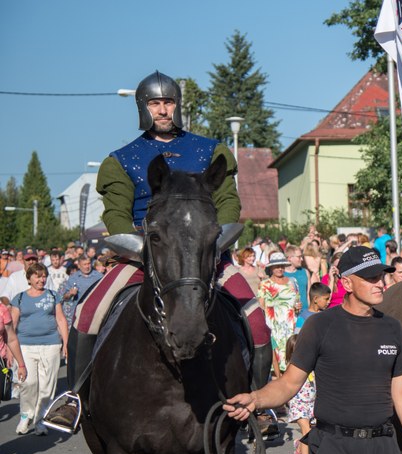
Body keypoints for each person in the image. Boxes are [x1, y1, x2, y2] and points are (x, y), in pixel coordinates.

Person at [44, 70, 262, 433]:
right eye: (155, 103)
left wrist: (212, 243)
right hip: (146, 257)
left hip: (204, 258)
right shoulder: (122, 160)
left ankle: (258, 401)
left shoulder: (211, 151)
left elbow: (226, 202)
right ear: (143, 107)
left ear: (178, 104)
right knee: (87, 312)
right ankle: (75, 399)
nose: (163, 109)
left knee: (255, 318)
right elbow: (115, 213)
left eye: (169, 102)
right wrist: (143, 247)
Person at [224, 246, 402, 454]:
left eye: (381, 276)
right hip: (335, 448)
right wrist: (256, 399)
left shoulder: (392, 327)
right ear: (347, 283)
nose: (380, 283)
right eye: (370, 278)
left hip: (382, 449)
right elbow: (289, 383)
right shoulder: (320, 325)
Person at [10, 263, 68, 435]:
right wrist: (8, 350)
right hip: (25, 346)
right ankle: (25, 416)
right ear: (29, 278)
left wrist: (66, 344)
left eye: (44, 276)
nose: (41, 279)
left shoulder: (53, 295)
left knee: (47, 386)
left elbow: (61, 320)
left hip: (50, 345)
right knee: (28, 382)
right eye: (37, 276)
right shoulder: (19, 298)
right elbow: (12, 326)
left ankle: (40, 419)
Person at [259, 252, 301, 377]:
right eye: (277, 266)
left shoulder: (293, 281)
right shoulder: (265, 284)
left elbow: (297, 303)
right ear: (271, 268)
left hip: (290, 325)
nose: (280, 268)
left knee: (291, 352)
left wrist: (298, 307)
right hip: (274, 325)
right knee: (275, 356)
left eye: (282, 265)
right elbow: (261, 306)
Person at [285, 334, 315, 454]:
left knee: (312, 432)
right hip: (299, 404)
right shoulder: (292, 368)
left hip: (312, 403)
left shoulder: (314, 365)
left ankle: (299, 447)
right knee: (307, 431)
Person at [58, 254, 103, 328]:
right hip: (78, 315)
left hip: (95, 313)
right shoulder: (73, 278)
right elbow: (65, 297)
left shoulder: (99, 276)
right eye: (84, 264)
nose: (87, 266)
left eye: (88, 264)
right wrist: (70, 294)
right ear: (79, 265)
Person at [284, 245, 310, 311]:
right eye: (299, 257)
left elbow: (309, 293)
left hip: (304, 312)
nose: (302, 259)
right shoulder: (282, 274)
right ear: (289, 258)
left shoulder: (305, 272)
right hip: (288, 313)